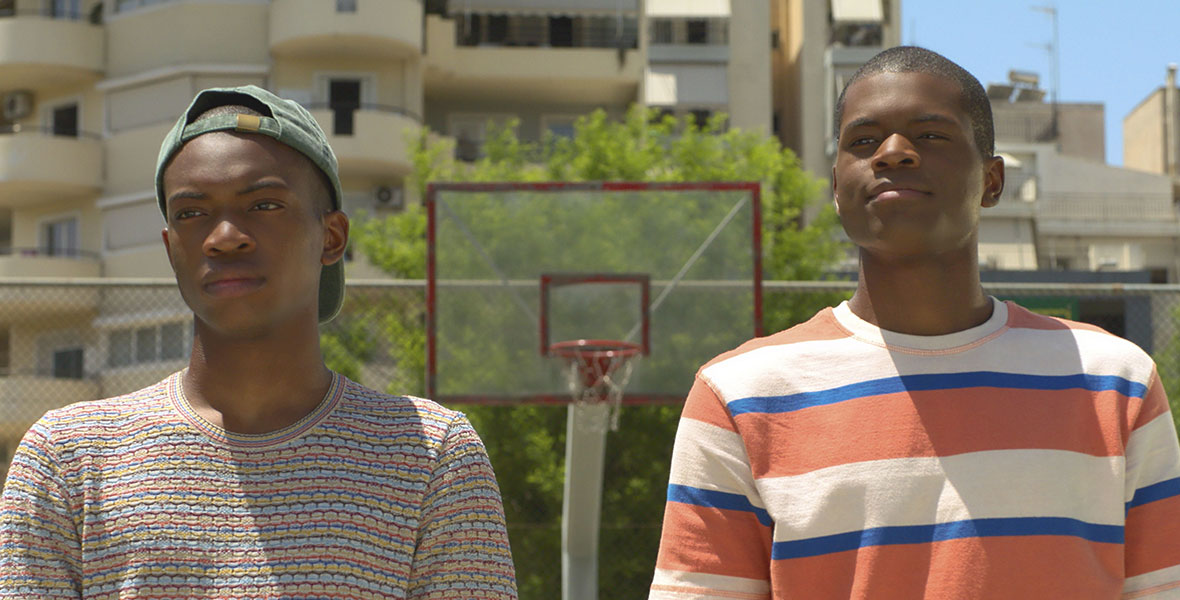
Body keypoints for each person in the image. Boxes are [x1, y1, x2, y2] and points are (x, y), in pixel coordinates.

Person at [649, 46, 1180, 599]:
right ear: (836, 186)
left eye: (930, 136)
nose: (893, 153)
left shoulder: (1114, 380)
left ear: (992, 181)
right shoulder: (740, 396)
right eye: (863, 140)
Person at [0, 85, 517, 599]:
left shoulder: (428, 453)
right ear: (170, 248)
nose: (224, 235)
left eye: (264, 204)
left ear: (331, 238)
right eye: (191, 213)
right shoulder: (70, 458)